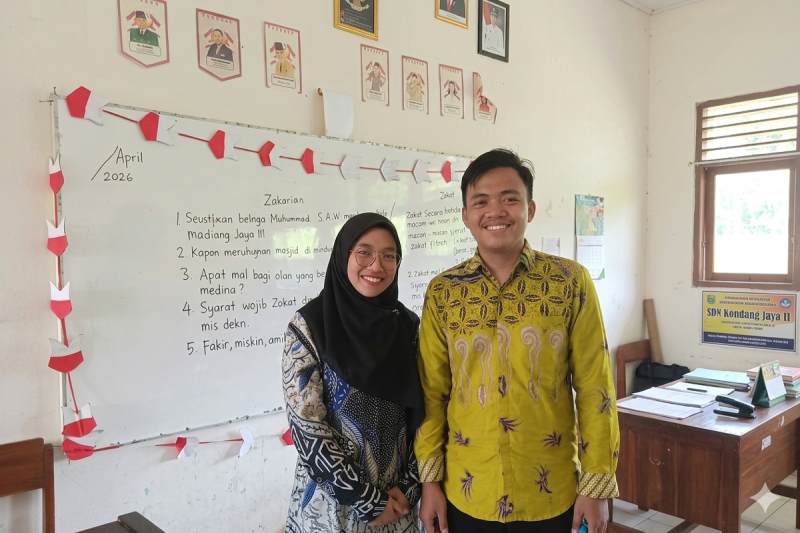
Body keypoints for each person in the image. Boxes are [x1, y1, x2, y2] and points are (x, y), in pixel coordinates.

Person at [415, 149, 619, 533]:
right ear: (465, 215)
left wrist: (596, 486)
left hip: (551, 492)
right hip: (466, 491)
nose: (495, 211)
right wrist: (430, 482)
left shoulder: (570, 282)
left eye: (509, 198)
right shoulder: (443, 292)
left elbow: (595, 388)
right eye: (481, 201)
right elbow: (431, 393)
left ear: (531, 209)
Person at [283, 213, 424, 533]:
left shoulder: (407, 326)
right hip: (333, 506)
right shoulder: (310, 326)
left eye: (389, 256)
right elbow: (307, 428)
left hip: (397, 503)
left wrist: (411, 486)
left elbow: (425, 411)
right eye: (364, 252)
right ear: (343, 255)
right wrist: (367, 501)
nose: (376, 266)